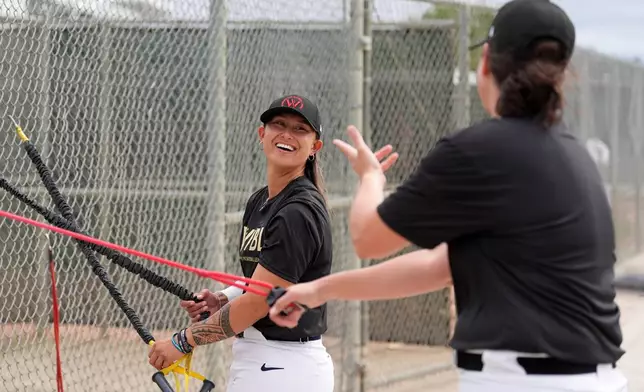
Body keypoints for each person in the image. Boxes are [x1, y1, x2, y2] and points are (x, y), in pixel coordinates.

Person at [268, 1, 629, 391]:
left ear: (486, 61)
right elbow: (440, 266)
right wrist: (318, 289)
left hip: (520, 381)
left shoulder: (480, 150)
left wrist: (371, 177)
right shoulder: (575, 156)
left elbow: (368, 238)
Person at [149, 94, 342, 392]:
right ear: (262, 134)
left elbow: (258, 301)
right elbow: (263, 277)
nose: (287, 134)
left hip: (284, 366)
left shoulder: (297, 212)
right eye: (278, 124)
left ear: (315, 147)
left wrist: (183, 341)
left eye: (300, 129)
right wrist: (223, 298)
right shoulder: (261, 201)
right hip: (263, 362)